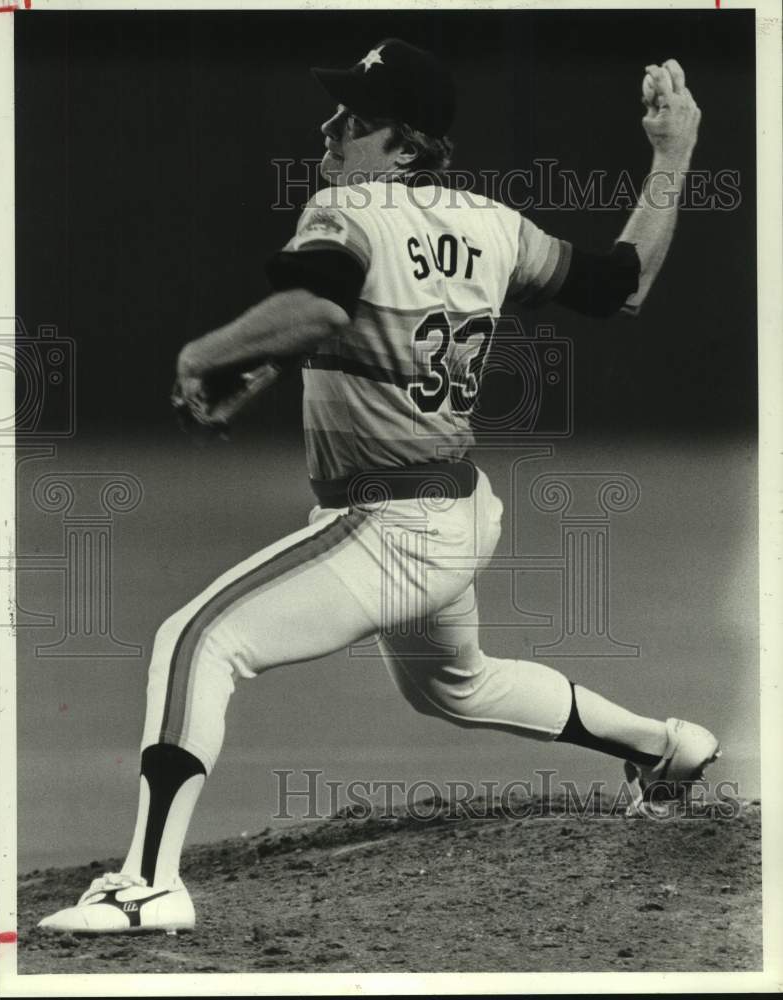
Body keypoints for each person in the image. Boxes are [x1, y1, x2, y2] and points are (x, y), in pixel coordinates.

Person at [39, 38, 718, 935]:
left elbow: (322, 303)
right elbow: (620, 286)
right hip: (456, 509)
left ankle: (149, 885)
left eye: (354, 118)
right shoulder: (494, 225)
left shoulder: (345, 207)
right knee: (454, 686)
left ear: (404, 147)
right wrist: (672, 154)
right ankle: (666, 748)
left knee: (196, 639)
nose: (329, 128)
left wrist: (203, 354)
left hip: (392, 524)